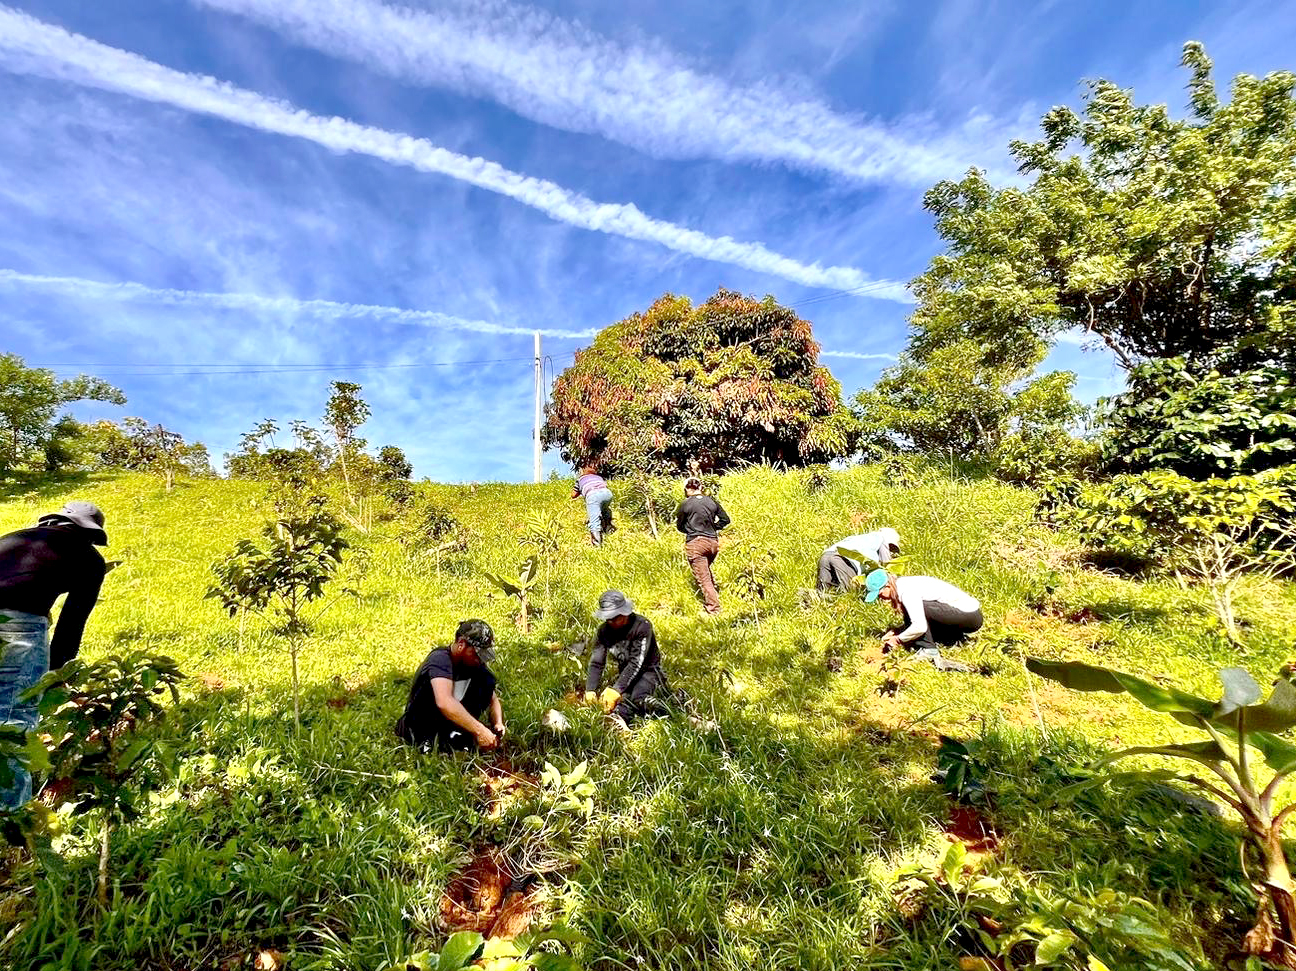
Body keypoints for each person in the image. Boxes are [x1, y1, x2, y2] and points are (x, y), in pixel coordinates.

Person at [0, 500, 108, 808]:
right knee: (12, 727)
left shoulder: (12, 538)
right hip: (19, 627)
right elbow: (71, 624)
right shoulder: (88, 558)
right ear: (90, 533)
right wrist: (57, 677)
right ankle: (10, 830)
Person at [395, 619, 505, 753]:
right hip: (420, 725)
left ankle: (456, 734)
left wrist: (498, 723)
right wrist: (479, 730)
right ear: (461, 644)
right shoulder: (440, 660)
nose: (479, 660)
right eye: (476, 655)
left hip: (447, 724)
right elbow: (444, 702)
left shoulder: (473, 665)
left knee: (486, 680)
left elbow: (493, 699)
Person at [864, 569, 983, 672]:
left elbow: (919, 626)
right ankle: (951, 637)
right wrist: (899, 631)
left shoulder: (907, 592)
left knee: (921, 609)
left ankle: (928, 649)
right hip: (964, 615)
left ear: (888, 587)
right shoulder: (902, 584)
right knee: (915, 610)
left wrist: (898, 639)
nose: (881, 598)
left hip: (970, 616)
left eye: (880, 594)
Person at [584, 590, 667, 729]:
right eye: (608, 618)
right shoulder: (603, 631)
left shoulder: (642, 626)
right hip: (626, 673)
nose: (611, 622)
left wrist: (616, 689)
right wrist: (590, 690)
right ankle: (617, 722)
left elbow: (637, 662)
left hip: (648, 672)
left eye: (615, 618)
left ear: (625, 613)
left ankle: (671, 706)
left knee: (639, 698)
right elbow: (597, 662)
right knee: (621, 700)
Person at [674, 477, 730, 615]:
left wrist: (691, 531)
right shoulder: (711, 501)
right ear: (701, 487)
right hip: (713, 543)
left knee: (703, 578)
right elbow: (726, 519)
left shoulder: (685, 504)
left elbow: (679, 526)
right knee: (705, 571)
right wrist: (713, 527)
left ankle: (714, 609)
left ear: (687, 488)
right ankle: (714, 592)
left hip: (696, 543)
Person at [817, 527, 901, 593]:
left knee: (822, 592)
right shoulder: (881, 538)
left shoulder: (861, 538)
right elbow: (886, 566)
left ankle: (808, 599)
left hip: (826, 555)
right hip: (842, 560)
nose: (890, 551)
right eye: (890, 547)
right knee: (849, 594)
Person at [571, 465, 614, 547]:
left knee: (594, 521)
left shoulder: (580, 479)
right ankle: (608, 528)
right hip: (607, 493)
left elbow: (573, 495)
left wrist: (581, 489)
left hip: (593, 495)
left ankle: (597, 546)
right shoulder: (598, 477)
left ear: (583, 473)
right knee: (604, 509)